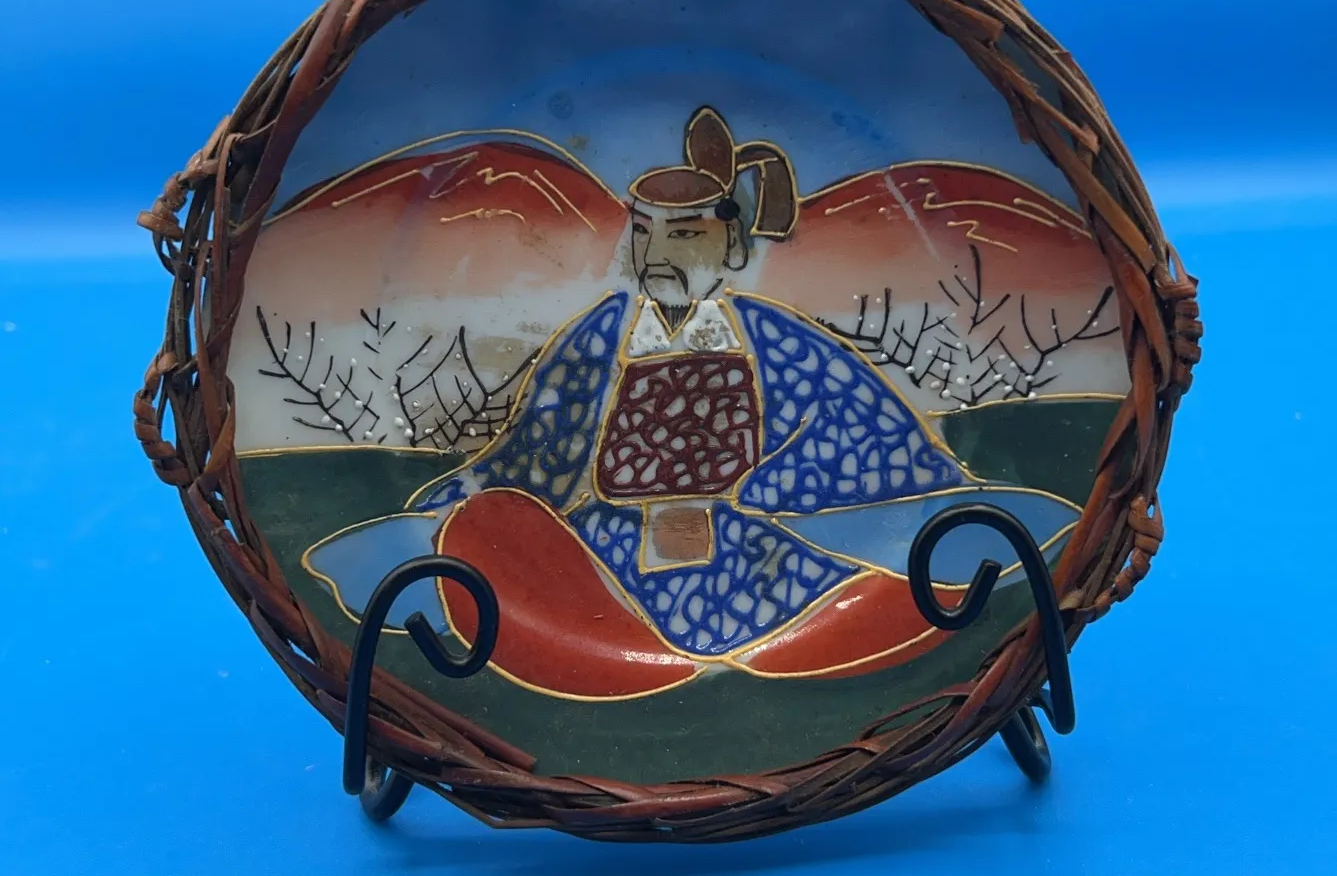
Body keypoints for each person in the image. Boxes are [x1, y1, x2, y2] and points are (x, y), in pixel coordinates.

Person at [305, 108, 1079, 699]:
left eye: (681, 238)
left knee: (892, 575)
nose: (656, 258)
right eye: (644, 236)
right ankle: (601, 646)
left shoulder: (775, 339)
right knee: (489, 532)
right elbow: (541, 448)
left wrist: (766, 488)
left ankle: (734, 646)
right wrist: (467, 495)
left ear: (730, 247)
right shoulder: (600, 338)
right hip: (611, 551)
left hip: (756, 548)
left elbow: (856, 427)